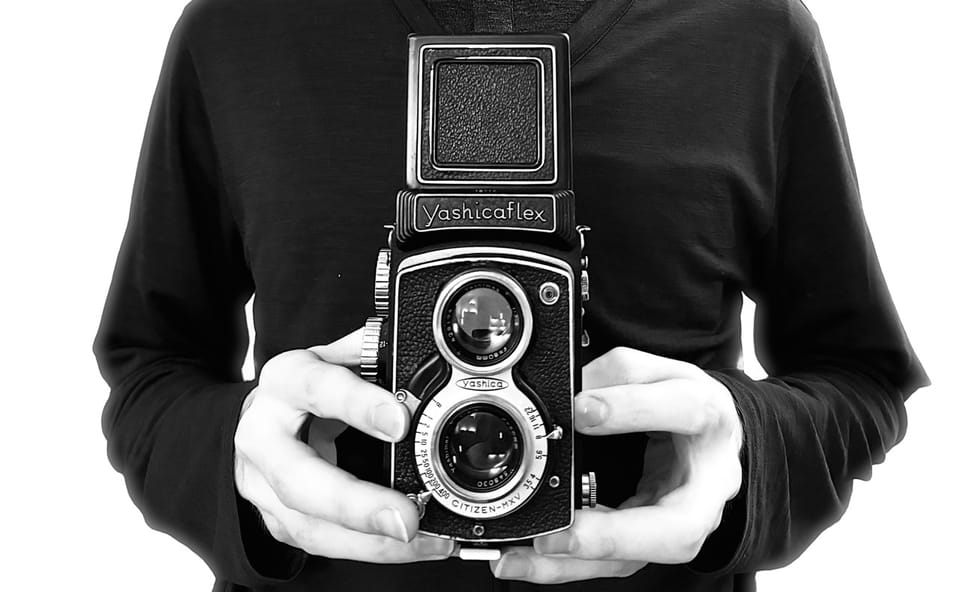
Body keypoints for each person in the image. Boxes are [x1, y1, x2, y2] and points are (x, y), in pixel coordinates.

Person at [94, 0, 928, 590]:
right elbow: (149, 367)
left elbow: (860, 374)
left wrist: (743, 455)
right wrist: (240, 463)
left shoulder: (753, 29)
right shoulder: (241, 26)